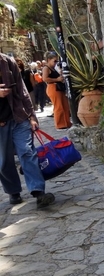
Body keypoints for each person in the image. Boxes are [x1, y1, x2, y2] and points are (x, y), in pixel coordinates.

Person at [0, 53, 55, 207]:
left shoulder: (8, 62)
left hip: (18, 117)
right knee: (4, 161)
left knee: (27, 152)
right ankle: (13, 192)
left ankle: (39, 193)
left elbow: (22, 90)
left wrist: (31, 116)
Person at [42, 51, 71, 130]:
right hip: (53, 88)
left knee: (65, 105)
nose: (55, 63)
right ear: (49, 60)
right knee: (58, 106)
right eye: (54, 61)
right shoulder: (46, 68)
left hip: (58, 87)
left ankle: (67, 122)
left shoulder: (53, 68)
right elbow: (45, 78)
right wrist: (57, 79)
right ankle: (60, 124)